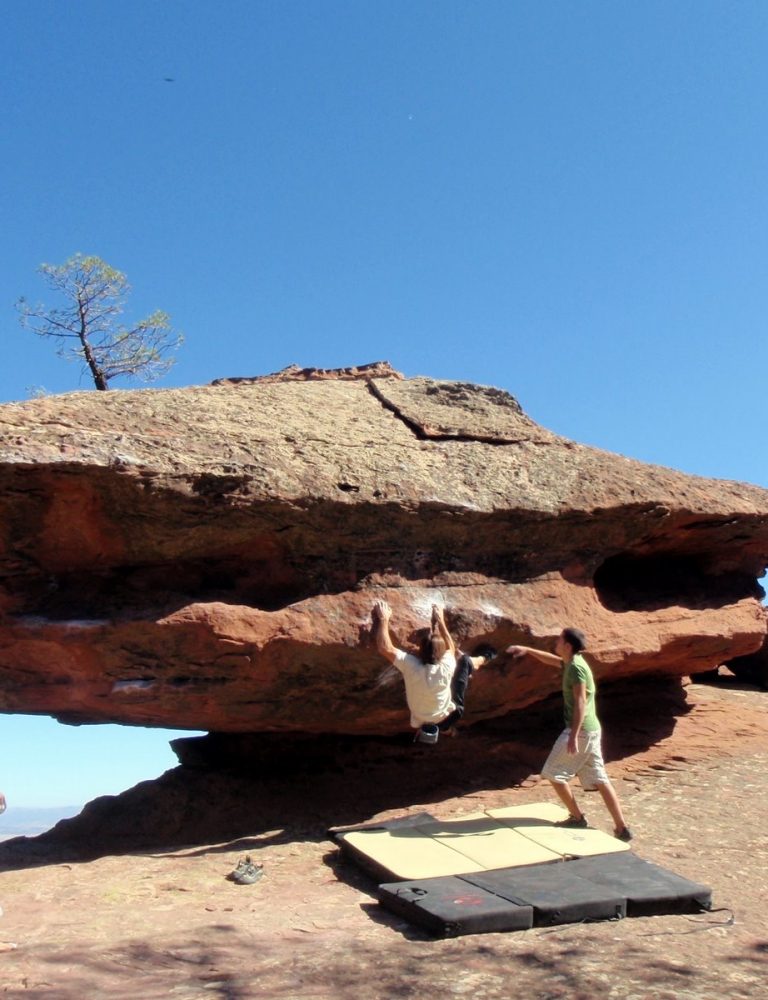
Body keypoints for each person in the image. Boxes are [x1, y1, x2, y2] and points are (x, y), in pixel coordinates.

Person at [507, 628, 632, 841]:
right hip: (591, 730)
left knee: (553, 774)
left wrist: (573, 735)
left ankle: (577, 817)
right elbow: (553, 661)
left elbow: (581, 702)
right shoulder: (572, 662)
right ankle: (622, 828)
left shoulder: (576, 668)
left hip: (582, 731)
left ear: (567, 645)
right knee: (600, 778)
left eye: (559, 640)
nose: (555, 643)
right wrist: (527, 650)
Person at [372, 599, 495, 743]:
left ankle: (447, 730)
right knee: (465, 661)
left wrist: (383, 619)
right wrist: (440, 621)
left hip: (443, 714)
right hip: (451, 711)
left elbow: (384, 648)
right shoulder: (442, 665)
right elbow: (451, 647)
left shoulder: (414, 666)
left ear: (420, 651)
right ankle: (485, 658)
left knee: (443, 723)